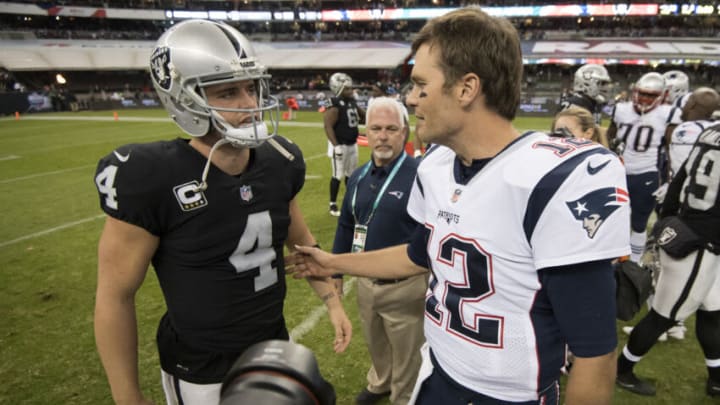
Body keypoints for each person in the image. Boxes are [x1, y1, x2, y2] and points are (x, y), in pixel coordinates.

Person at [288, 7, 629, 404]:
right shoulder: (435, 165)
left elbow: (595, 354)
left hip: (508, 395)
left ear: (466, 88)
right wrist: (332, 262)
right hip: (437, 374)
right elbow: (419, 255)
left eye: (420, 85)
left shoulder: (557, 179)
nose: (411, 98)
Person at [93, 20, 351, 405]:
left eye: (251, 87)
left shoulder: (280, 161)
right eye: (229, 92)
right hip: (203, 367)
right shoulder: (152, 177)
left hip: (272, 347)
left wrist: (332, 302)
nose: (250, 104)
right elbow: (114, 296)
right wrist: (127, 396)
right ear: (183, 98)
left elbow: (304, 246)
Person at [616, 121, 720, 398]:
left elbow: (679, 179)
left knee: (712, 312)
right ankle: (622, 370)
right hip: (702, 244)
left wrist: (670, 222)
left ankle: (716, 378)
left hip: (690, 230)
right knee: (663, 316)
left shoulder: (712, 131)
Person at [333, 97, 426, 405]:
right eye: (376, 128)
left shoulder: (421, 177)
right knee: (375, 341)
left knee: (407, 350)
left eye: (391, 128)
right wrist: (335, 270)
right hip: (365, 281)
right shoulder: (359, 176)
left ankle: (403, 397)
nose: (383, 136)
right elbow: (347, 224)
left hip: (406, 285)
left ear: (404, 133)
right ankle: (380, 382)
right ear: (367, 132)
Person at [606, 72, 682, 263]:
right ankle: (615, 257)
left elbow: (671, 149)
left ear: (661, 96)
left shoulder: (667, 114)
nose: (645, 98)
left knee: (639, 222)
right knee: (613, 219)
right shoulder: (621, 109)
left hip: (646, 173)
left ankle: (635, 263)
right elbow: (609, 137)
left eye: (651, 95)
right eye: (642, 93)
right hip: (619, 172)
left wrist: (669, 180)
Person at [325, 72, 366, 217]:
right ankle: (332, 204)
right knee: (338, 174)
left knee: (351, 174)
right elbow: (328, 126)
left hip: (352, 143)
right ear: (338, 88)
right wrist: (335, 145)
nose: (351, 91)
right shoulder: (334, 104)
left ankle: (349, 201)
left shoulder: (351, 102)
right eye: (347, 88)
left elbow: (363, 117)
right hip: (340, 144)